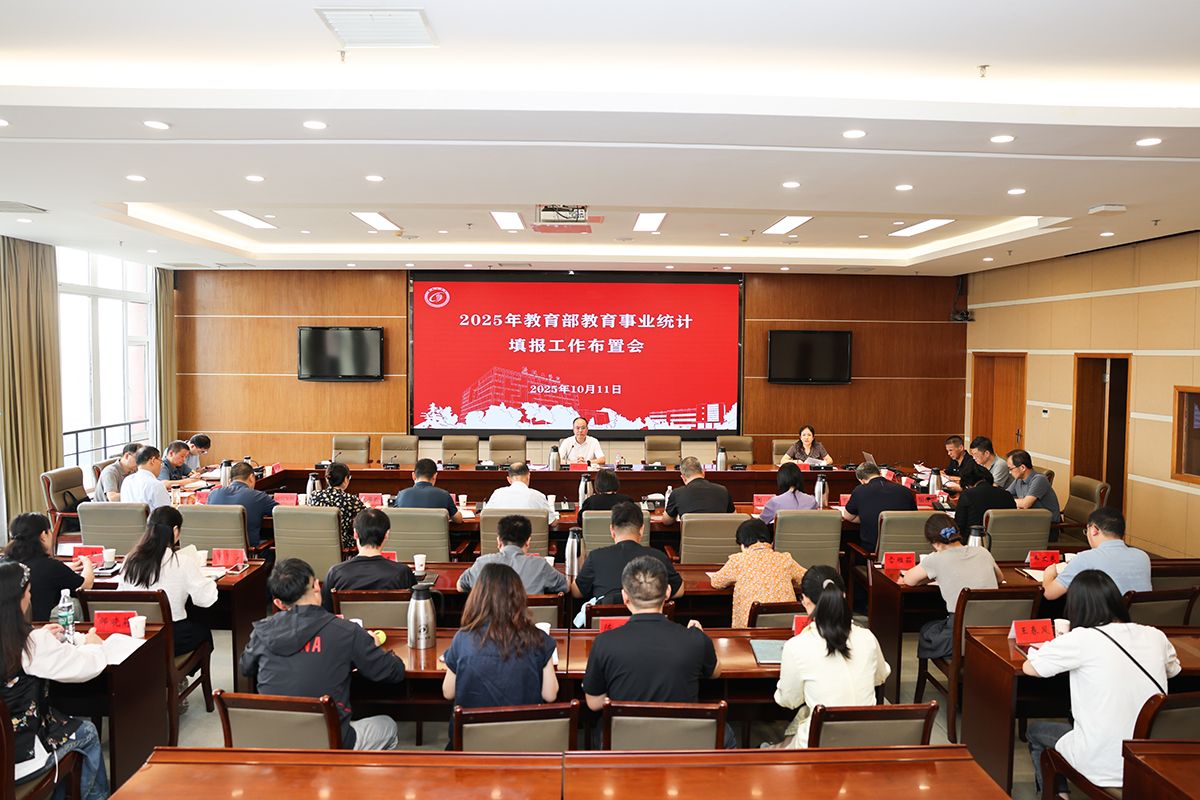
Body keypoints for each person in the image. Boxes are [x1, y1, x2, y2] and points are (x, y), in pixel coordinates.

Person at [1023, 570, 1180, 793]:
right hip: (1151, 765)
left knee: (1035, 732)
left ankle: (1058, 796)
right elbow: (1173, 669)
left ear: (1076, 607)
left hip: (1102, 765)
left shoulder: (1081, 639)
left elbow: (1031, 668)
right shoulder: (1155, 635)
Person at [241, 558, 407, 750]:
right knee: (388, 726)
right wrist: (372, 645)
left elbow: (246, 667)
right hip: (331, 742)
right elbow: (394, 672)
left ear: (278, 603)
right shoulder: (346, 631)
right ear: (316, 586)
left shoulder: (262, 633)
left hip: (275, 742)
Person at [582, 555, 733, 747]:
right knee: (727, 733)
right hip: (682, 741)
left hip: (626, 742)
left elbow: (594, 703)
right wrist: (702, 638)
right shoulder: (696, 639)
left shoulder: (604, 642)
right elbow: (715, 672)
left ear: (625, 597)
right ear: (668, 592)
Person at [1, 560, 110, 800]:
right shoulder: (30, 645)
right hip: (19, 759)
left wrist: (39, 635)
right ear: (18, 601)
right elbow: (85, 668)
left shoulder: (27, 642)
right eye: (28, 592)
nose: (30, 597)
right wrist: (93, 645)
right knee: (88, 732)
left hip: (6, 749)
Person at [771, 566, 890, 748]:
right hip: (866, 740)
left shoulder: (797, 646)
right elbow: (881, 676)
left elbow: (788, 700)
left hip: (820, 745)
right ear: (843, 596)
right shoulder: (867, 637)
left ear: (805, 600)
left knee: (785, 739)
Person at [443, 563, 558, 734]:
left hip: (472, 742)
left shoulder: (462, 638)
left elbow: (448, 692)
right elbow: (550, 694)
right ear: (519, 597)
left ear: (478, 597)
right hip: (523, 740)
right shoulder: (538, 638)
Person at [118, 506, 218, 656]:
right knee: (203, 631)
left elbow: (121, 598)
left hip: (138, 635)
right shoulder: (183, 562)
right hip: (172, 635)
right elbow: (205, 600)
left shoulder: (129, 560)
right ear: (175, 531)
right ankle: (180, 669)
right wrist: (207, 578)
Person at [901, 515, 1002, 659]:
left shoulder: (936, 558)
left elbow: (909, 580)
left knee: (927, 630)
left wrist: (932, 577)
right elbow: (999, 578)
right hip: (993, 629)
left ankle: (950, 667)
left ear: (934, 543)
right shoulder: (983, 552)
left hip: (959, 634)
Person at [571, 501, 684, 610]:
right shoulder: (658, 557)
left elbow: (576, 592)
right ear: (642, 530)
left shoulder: (595, 557)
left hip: (606, 622)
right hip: (647, 622)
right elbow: (679, 591)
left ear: (612, 530)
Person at [708, 518, 806, 627]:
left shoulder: (738, 560)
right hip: (786, 626)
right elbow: (807, 579)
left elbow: (716, 582)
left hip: (749, 629)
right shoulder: (785, 559)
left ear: (742, 544)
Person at [1041, 508, 1150, 602]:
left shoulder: (1085, 558)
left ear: (1094, 530)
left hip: (1104, 619)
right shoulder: (1142, 556)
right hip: (1140, 619)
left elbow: (1049, 594)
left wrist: (1049, 574)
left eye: (1086, 531)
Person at [321, 509, 417, 611]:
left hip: (348, 622)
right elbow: (414, 610)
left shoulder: (335, 573)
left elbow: (325, 612)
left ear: (355, 534)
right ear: (387, 534)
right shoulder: (402, 573)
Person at [4, 512, 94, 621]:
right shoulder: (51, 567)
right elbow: (86, 584)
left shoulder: (4, 563)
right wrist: (87, 563)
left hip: (7, 626)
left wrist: (65, 568)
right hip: (37, 628)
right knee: (75, 603)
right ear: (43, 535)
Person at [457, 515, 568, 596]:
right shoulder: (540, 565)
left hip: (490, 622)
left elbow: (460, 587)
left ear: (499, 541)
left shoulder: (482, 563)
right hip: (529, 621)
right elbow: (566, 586)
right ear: (528, 542)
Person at [842, 462, 917, 551]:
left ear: (861, 480)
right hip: (905, 549)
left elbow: (848, 516)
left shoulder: (860, 490)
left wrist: (869, 518)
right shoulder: (905, 491)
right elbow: (913, 517)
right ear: (880, 473)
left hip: (873, 550)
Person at [206, 461, 278, 547]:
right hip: (248, 552)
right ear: (251, 478)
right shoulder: (259, 497)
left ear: (230, 480)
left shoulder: (213, 494)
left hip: (216, 551)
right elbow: (281, 512)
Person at [308, 462, 368, 550]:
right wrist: (367, 506)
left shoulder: (314, 496)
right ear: (346, 479)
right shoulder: (351, 500)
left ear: (327, 479)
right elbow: (366, 519)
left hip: (317, 543)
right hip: (342, 546)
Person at [663, 456, 734, 523]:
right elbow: (734, 518)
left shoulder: (677, 493)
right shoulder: (723, 490)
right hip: (718, 532)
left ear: (683, 478)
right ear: (703, 472)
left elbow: (667, 521)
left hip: (691, 532)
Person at [391, 458, 462, 522]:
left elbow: (393, 519)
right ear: (435, 476)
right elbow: (458, 520)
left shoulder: (402, 494)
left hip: (408, 533)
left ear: (413, 476)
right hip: (434, 533)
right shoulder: (444, 495)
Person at [485, 462, 558, 524]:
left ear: (509, 479)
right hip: (530, 537)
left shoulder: (497, 494)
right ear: (528, 476)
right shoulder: (538, 496)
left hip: (503, 537)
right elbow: (553, 522)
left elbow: (485, 517)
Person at [952, 463, 1016, 533]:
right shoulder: (1007, 495)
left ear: (968, 484)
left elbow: (959, 525)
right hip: (1003, 537)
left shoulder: (967, 495)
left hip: (973, 537)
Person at [1005, 449, 1062, 525]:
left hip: (1047, 525)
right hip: (1030, 520)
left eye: (1011, 469)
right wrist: (1017, 502)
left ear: (1022, 467)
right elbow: (1004, 495)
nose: (1009, 472)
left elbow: (1025, 504)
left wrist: (1014, 502)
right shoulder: (1019, 480)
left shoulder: (1039, 479)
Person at [119, 445, 172, 510]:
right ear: (153, 460)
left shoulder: (127, 481)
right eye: (160, 461)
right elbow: (166, 513)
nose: (161, 466)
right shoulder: (156, 485)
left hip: (129, 517)